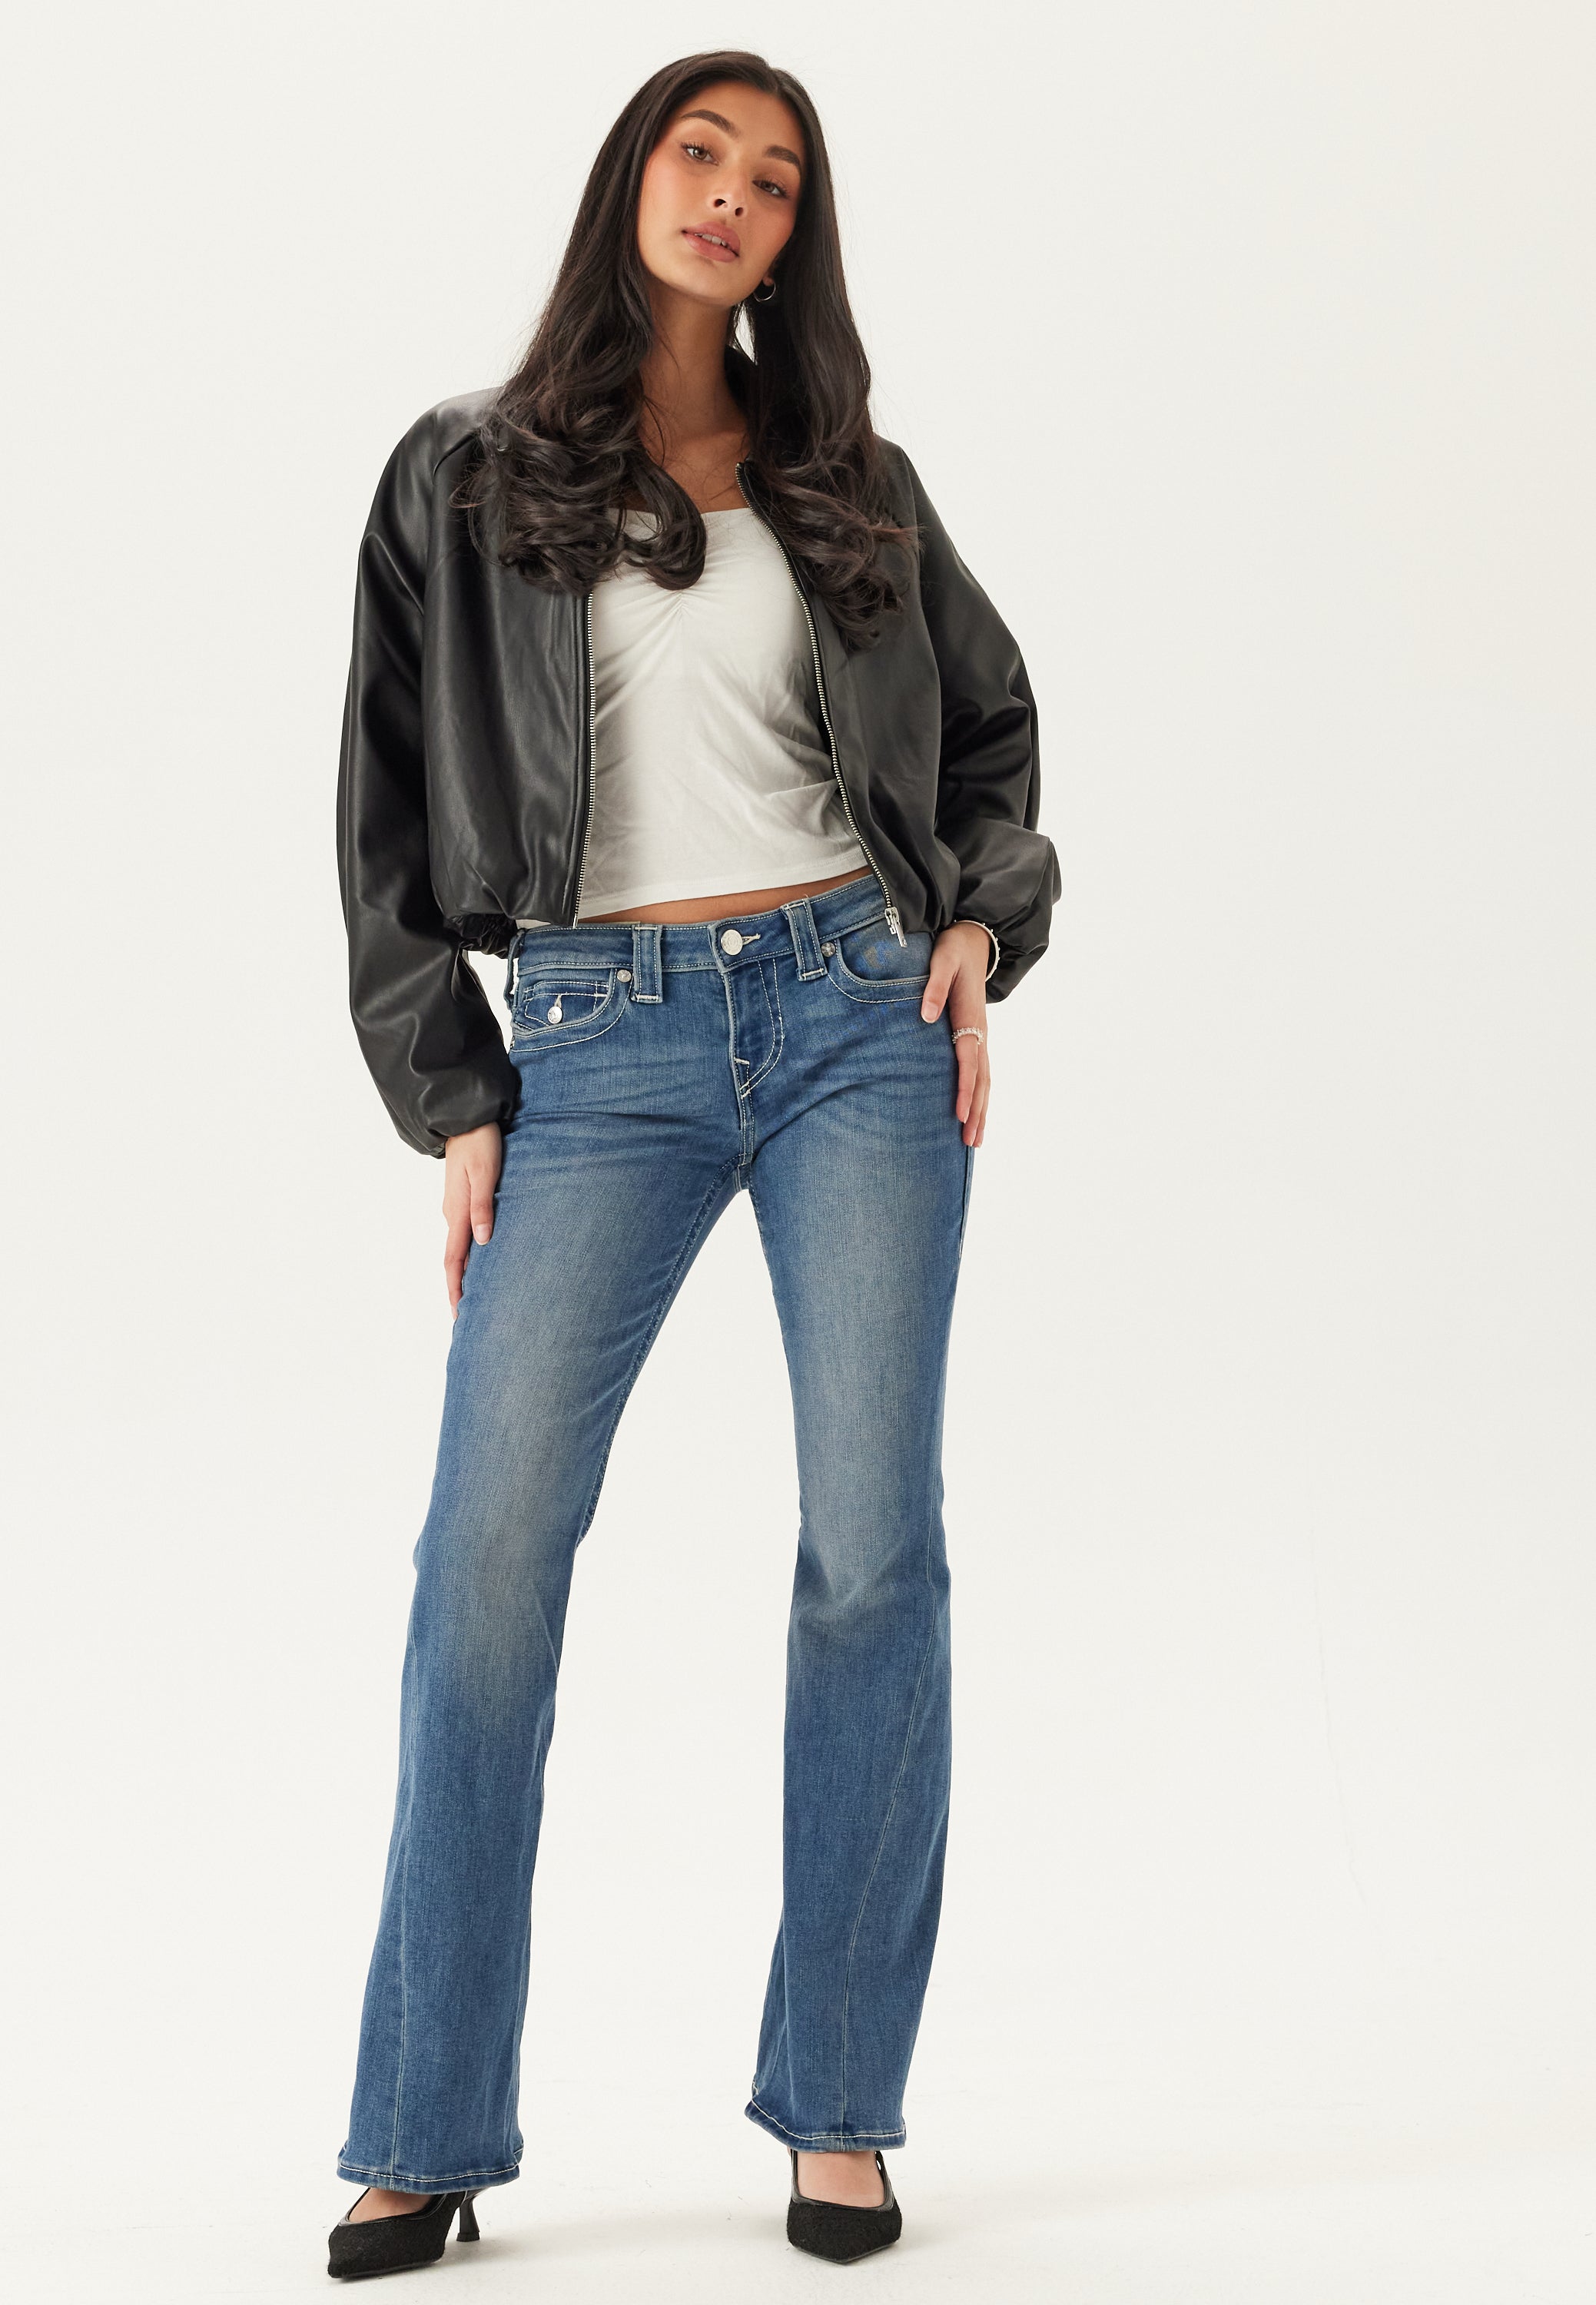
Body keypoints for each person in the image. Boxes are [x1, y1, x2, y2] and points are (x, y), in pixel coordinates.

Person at [327, 48, 1058, 2280]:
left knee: (873, 1555)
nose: (732, 194)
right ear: (632, 176)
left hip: (856, 1020)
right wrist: (458, 1089)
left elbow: (994, 727)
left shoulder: (851, 483)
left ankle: (839, 2108)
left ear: (794, 237)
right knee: (487, 1566)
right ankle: (424, 2125)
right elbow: (379, 806)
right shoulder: (462, 476)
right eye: (699, 151)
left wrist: (977, 921)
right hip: (597, 1043)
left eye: (776, 178)